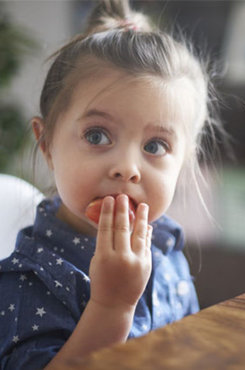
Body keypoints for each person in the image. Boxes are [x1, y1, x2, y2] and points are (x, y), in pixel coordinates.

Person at [0, 0, 224, 368]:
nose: (127, 168)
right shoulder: (29, 281)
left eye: (155, 146)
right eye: (97, 135)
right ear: (47, 145)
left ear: (183, 163)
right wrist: (112, 306)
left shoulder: (166, 247)